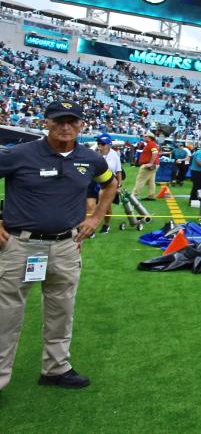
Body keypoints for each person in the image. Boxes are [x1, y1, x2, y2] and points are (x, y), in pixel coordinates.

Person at [0, 100, 118, 391]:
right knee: (7, 314)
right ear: (46, 122)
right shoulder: (20, 154)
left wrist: (96, 217)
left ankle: (56, 368)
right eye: (58, 120)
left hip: (66, 245)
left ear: (81, 125)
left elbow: (110, 183)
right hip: (20, 245)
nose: (65, 126)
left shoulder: (90, 158)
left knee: (61, 309)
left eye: (71, 121)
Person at [94, 133, 123, 233]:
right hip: (94, 182)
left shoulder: (114, 155)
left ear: (108, 144)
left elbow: (119, 171)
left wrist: (119, 186)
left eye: (102, 144)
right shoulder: (94, 153)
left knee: (106, 205)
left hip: (109, 183)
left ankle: (106, 225)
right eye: (98, 143)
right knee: (91, 205)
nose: (99, 145)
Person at [131, 131, 159, 200]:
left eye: (145, 136)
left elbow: (155, 152)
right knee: (151, 181)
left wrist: (151, 163)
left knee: (140, 180)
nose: (144, 137)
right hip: (154, 164)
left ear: (149, 137)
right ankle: (151, 195)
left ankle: (134, 195)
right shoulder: (152, 144)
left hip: (149, 165)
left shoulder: (151, 144)